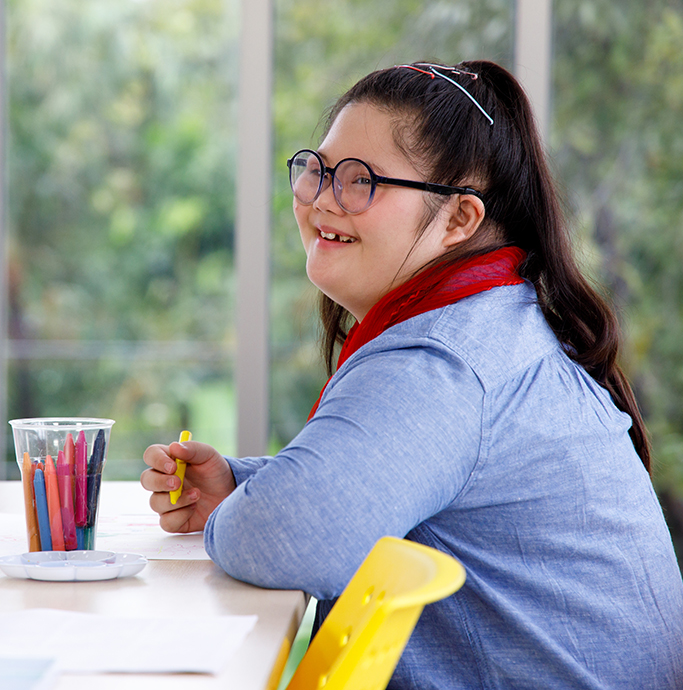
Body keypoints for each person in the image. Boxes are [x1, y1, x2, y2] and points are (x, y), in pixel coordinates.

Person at [141, 60, 683, 689]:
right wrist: (245, 485)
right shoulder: (495, 321)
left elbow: (287, 538)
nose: (320, 199)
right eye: (317, 169)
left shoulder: (444, 360)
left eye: (359, 180)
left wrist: (248, 511)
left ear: (459, 220)